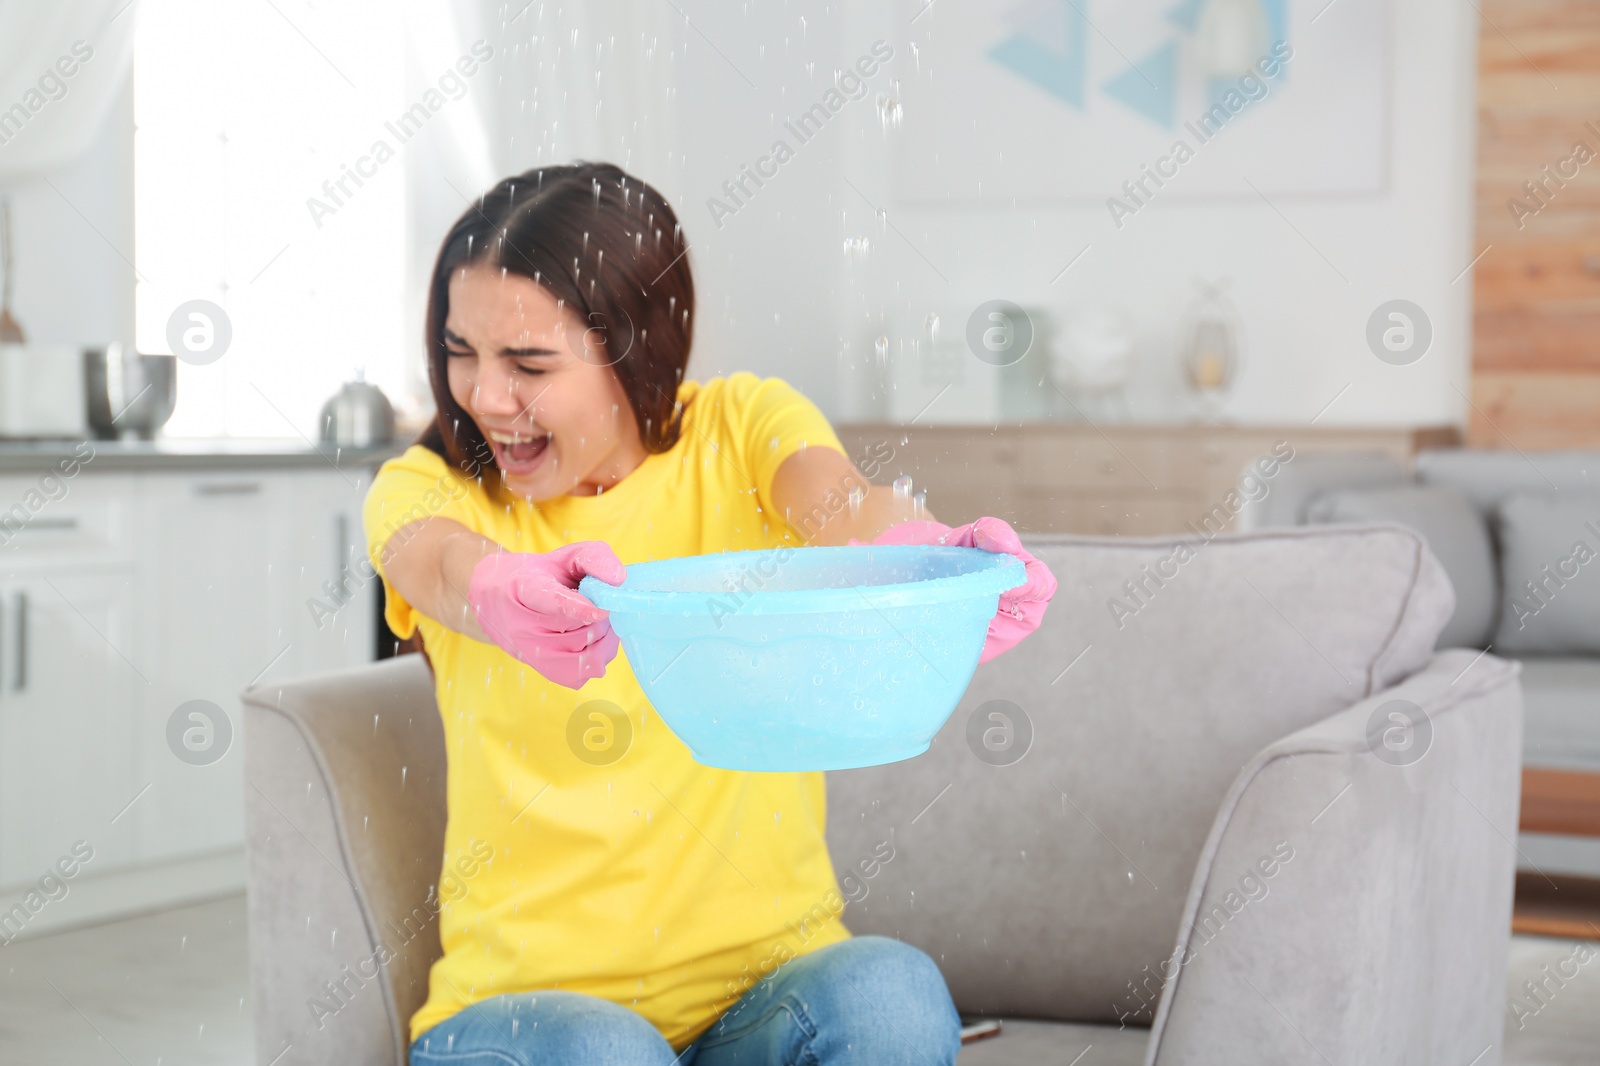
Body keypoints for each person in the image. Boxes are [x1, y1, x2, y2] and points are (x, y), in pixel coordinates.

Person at [363, 160, 1057, 1065]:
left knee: (892, 996)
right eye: (462, 352)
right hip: (527, 1022)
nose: (485, 398)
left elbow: (840, 504)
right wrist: (496, 590)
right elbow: (439, 564)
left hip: (765, 1000)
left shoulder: (738, 429)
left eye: (528, 363)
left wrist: (927, 563)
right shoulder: (434, 489)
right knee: (609, 1054)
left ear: (635, 348)